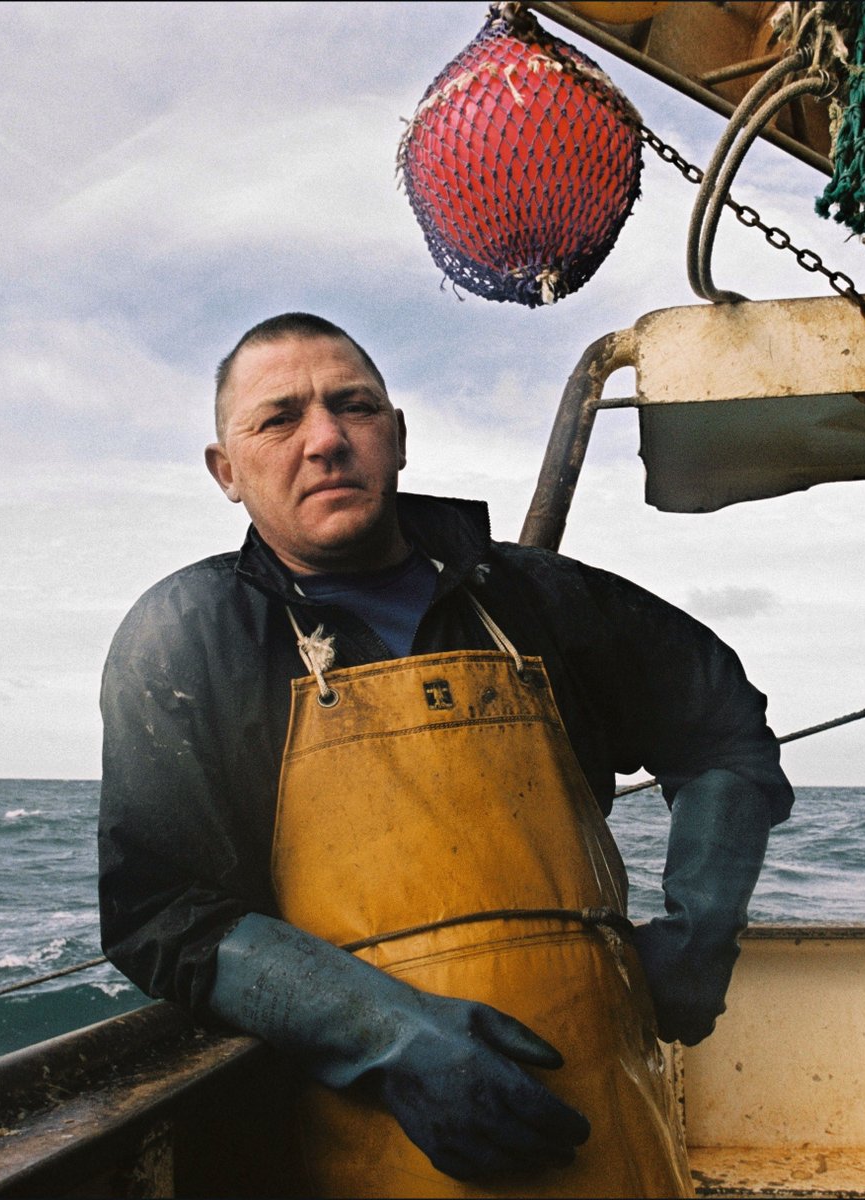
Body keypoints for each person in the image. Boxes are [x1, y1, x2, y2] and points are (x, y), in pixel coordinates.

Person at [98, 312, 793, 1198]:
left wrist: (701, 932)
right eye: (279, 420)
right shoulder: (188, 637)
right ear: (225, 472)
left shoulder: (543, 598)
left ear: (397, 438)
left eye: (353, 407)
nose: (323, 440)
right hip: (369, 1153)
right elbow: (163, 911)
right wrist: (391, 1039)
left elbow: (722, 731)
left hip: (613, 1127)